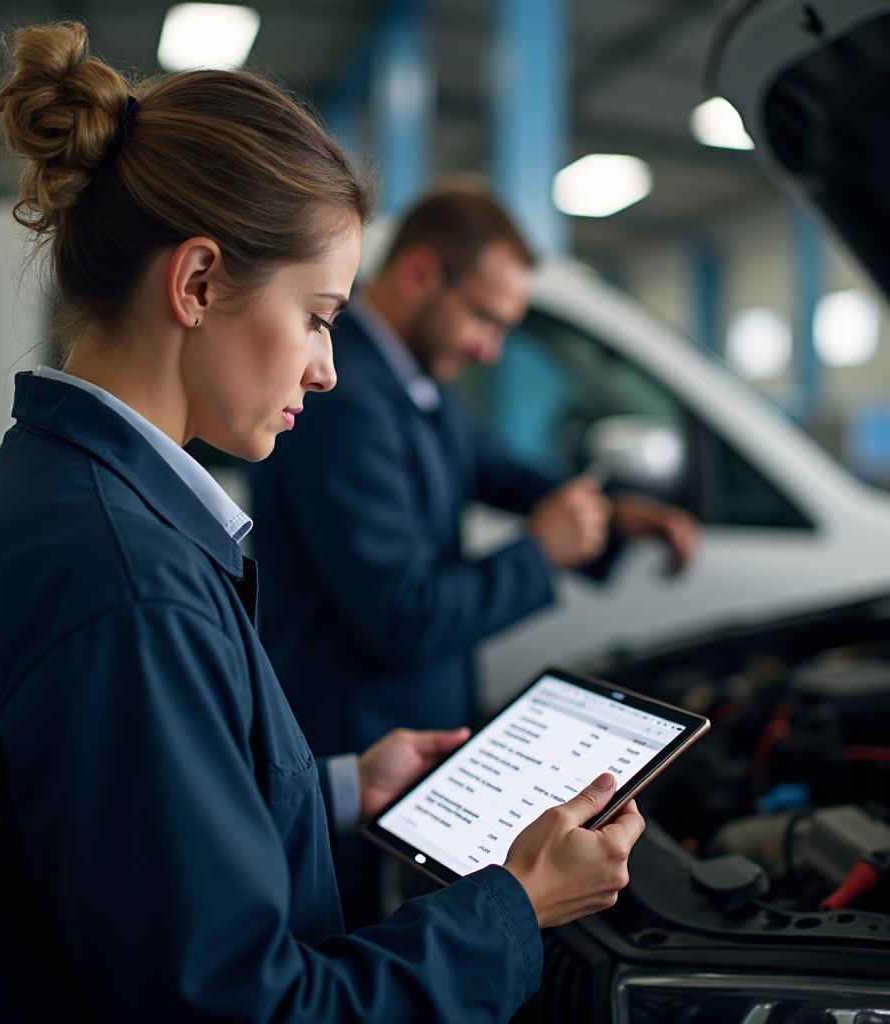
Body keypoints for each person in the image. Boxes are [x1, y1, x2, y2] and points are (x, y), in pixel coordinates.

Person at [0, 22, 646, 1023]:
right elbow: (249, 1007)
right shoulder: (126, 585)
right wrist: (514, 907)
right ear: (198, 282)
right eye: (318, 315)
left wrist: (338, 787)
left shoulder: (62, 495)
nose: (327, 367)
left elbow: (139, 838)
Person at [248, 185, 697, 927]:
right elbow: (402, 614)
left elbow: (498, 469)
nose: (489, 348)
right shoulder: (343, 396)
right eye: (484, 319)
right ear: (422, 273)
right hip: (355, 755)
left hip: (404, 754)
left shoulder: (415, 378)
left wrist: (613, 515)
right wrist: (543, 553)